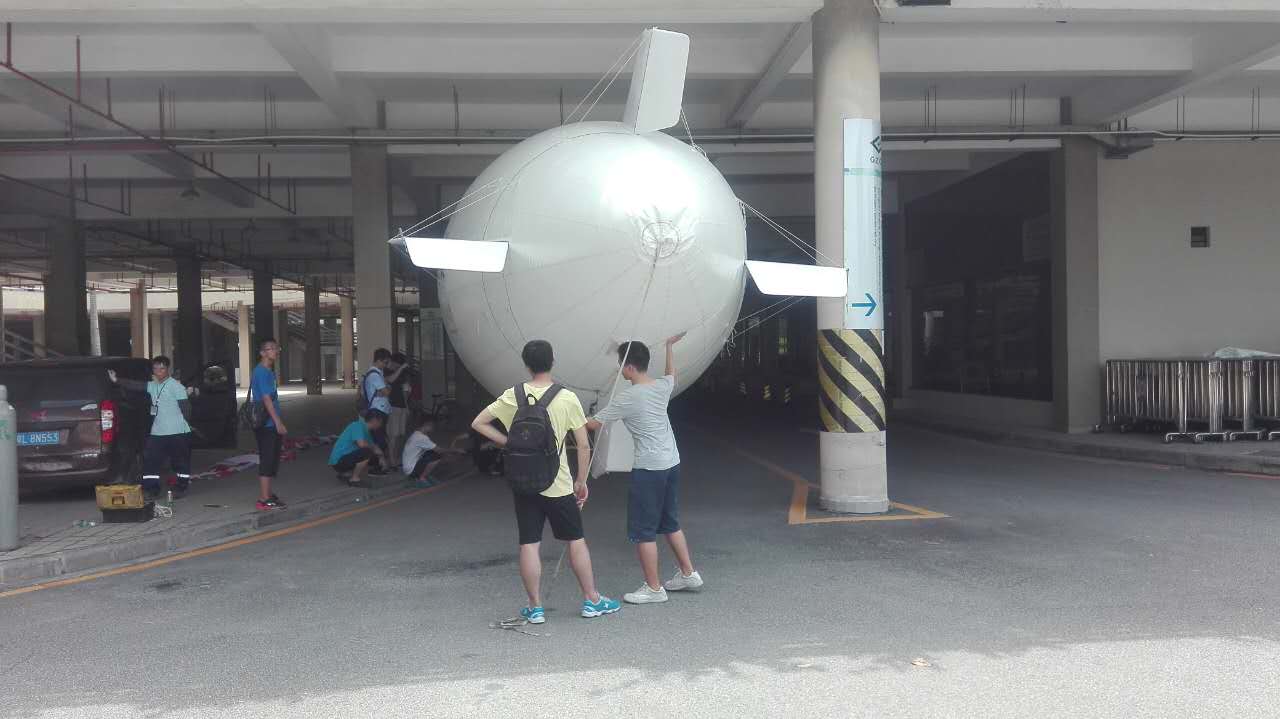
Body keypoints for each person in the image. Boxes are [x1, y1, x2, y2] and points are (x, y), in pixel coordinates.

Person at [471, 339, 621, 624]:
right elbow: (583, 444)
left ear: (526, 365)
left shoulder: (513, 395)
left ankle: (535, 607)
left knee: (529, 543)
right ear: (552, 362)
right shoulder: (566, 398)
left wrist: (509, 442)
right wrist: (581, 481)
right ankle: (592, 600)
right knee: (575, 540)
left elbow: (478, 422)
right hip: (558, 483)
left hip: (524, 481)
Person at [586, 333, 703, 605]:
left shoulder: (628, 398)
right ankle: (689, 573)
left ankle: (653, 588)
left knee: (643, 531)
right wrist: (669, 347)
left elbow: (592, 424)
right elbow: (671, 375)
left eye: (621, 365)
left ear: (629, 367)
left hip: (649, 469)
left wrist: (564, 414)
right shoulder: (662, 387)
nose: (620, 370)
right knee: (670, 523)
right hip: (671, 462)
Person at [107, 356, 199, 500]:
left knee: (180, 462)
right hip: (158, 432)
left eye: (162, 368)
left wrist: (186, 425)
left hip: (178, 432)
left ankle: (181, 487)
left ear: (167, 369)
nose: (158, 372)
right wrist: (116, 380)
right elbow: (136, 385)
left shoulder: (176, 387)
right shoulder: (152, 386)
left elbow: (186, 409)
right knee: (151, 461)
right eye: (155, 369)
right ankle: (151, 489)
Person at [251, 338, 287, 510]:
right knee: (267, 458)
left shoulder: (268, 371)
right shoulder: (261, 372)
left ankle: (268, 493)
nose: (275, 351)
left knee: (272, 458)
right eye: (270, 348)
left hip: (270, 422)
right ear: (262, 353)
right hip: (267, 424)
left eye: (276, 348)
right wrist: (278, 422)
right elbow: (266, 399)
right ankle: (264, 499)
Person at [361, 348, 400, 472]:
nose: (386, 365)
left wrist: (384, 389)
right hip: (377, 411)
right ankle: (377, 467)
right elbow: (387, 392)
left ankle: (375, 464)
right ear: (378, 360)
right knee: (380, 440)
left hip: (378, 410)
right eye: (385, 362)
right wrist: (386, 388)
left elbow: (384, 391)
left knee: (378, 439)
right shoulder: (375, 375)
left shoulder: (376, 373)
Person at [329, 410, 387, 486]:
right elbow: (362, 444)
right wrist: (374, 449)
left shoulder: (366, 431)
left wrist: (381, 457)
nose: (381, 425)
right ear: (375, 421)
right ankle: (354, 479)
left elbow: (375, 447)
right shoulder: (357, 426)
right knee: (367, 452)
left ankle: (345, 473)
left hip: (343, 459)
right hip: (338, 462)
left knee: (373, 451)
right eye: (381, 422)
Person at [402, 415, 460, 487]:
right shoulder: (421, 437)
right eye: (432, 426)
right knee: (437, 455)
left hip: (408, 468)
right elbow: (439, 450)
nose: (433, 428)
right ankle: (421, 478)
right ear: (427, 425)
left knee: (432, 453)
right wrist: (454, 450)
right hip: (411, 470)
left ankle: (424, 475)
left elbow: (433, 448)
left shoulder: (416, 434)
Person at [387, 352, 414, 469]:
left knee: (399, 435)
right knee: (393, 435)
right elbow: (390, 380)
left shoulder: (403, 374)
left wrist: (407, 406)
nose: (396, 366)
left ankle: (396, 458)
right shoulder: (387, 371)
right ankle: (392, 460)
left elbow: (405, 392)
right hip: (392, 407)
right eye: (398, 364)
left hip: (402, 407)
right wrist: (401, 368)